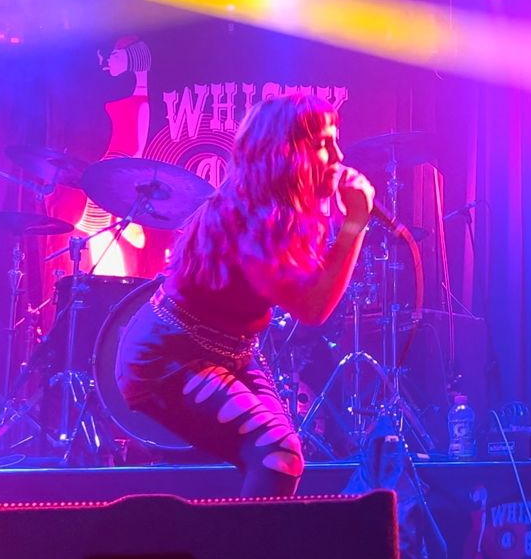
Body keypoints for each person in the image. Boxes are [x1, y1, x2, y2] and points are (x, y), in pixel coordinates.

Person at [114, 92, 374, 496]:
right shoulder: (248, 220)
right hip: (167, 356)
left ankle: (241, 533)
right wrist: (355, 224)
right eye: (324, 143)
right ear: (288, 153)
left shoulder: (282, 211)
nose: (338, 155)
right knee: (276, 453)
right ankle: (244, 541)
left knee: (284, 456)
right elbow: (313, 308)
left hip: (230, 350)